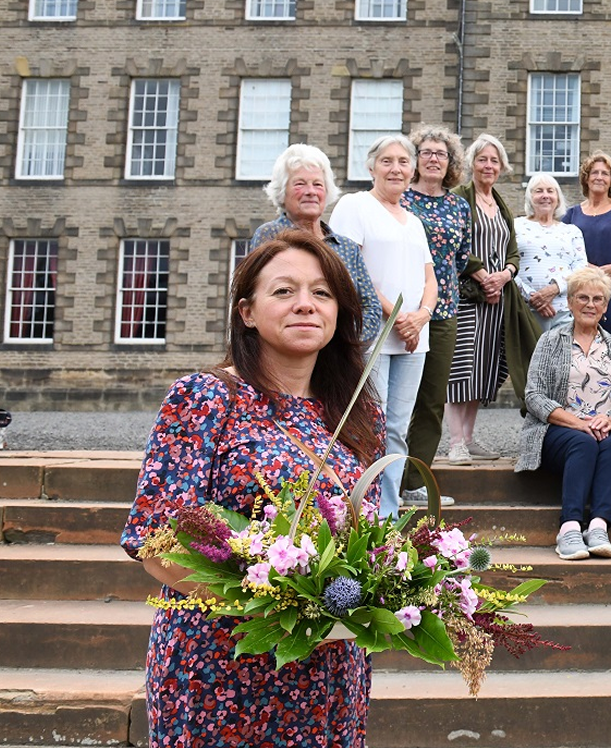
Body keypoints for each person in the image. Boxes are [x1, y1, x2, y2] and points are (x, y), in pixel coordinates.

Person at [120, 231, 383, 746]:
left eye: (322, 293)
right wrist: (278, 606)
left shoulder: (353, 414)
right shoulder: (205, 397)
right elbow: (156, 539)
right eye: (284, 291)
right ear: (247, 312)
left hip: (332, 669)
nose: (305, 304)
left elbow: (359, 536)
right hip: (222, 663)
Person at [330, 134, 436, 518]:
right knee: (366, 424)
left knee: (397, 429)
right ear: (371, 167)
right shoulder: (354, 206)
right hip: (374, 334)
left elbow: (430, 279)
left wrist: (421, 316)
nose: (396, 168)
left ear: (413, 170)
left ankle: (389, 517)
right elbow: (353, 272)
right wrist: (399, 316)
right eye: (387, 161)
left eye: (404, 162)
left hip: (413, 340)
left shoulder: (414, 221)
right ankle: (361, 511)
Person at [516, 265, 611, 561]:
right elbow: (534, 395)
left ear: (606, 306)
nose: (590, 304)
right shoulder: (550, 341)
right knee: (583, 441)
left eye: (598, 299)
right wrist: (577, 423)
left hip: (607, 431)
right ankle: (570, 527)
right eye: (583, 297)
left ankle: (599, 526)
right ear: (571, 302)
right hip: (559, 431)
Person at [446, 134, 541, 463]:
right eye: (482, 159)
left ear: (501, 167)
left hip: (498, 299)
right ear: (472, 163)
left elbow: (512, 252)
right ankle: (455, 442)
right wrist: (482, 273)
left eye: (494, 161)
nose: (488, 166)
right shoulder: (460, 198)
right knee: (461, 369)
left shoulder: (501, 205)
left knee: (484, 368)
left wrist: (505, 274)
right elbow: (455, 243)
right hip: (467, 296)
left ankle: (470, 439)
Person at [252, 144, 383, 348]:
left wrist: (346, 342)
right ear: (282, 191)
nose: (310, 191)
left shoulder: (346, 247)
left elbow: (370, 305)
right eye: (300, 184)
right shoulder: (269, 236)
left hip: (341, 357)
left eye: (318, 184)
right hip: (286, 354)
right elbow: (256, 297)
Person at [400, 124, 467, 505]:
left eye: (441, 154)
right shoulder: (401, 200)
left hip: (441, 312)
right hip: (402, 312)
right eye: (426, 152)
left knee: (430, 400)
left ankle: (413, 482)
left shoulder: (458, 205)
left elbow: (460, 258)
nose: (433, 159)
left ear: (450, 163)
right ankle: (380, 478)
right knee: (395, 399)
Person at [564, 151, 611, 343]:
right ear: (586, 178)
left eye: (605, 173)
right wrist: (587, 269)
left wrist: (608, 270)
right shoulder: (571, 214)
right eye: (595, 172)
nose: (599, 177)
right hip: (580, 289)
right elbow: (564, 254)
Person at [515, 173, 588, 332]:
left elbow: (581, 269)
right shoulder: (516, 226)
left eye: (550, 191)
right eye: (539, 191)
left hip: (563, 311)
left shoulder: (571, 231)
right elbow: (506, 264)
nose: (545, 196)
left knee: (561, 356)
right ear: (530, 196)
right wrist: (532, 298)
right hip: (524, 310)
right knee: (528, 357)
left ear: (558, 198)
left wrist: (555, 289)